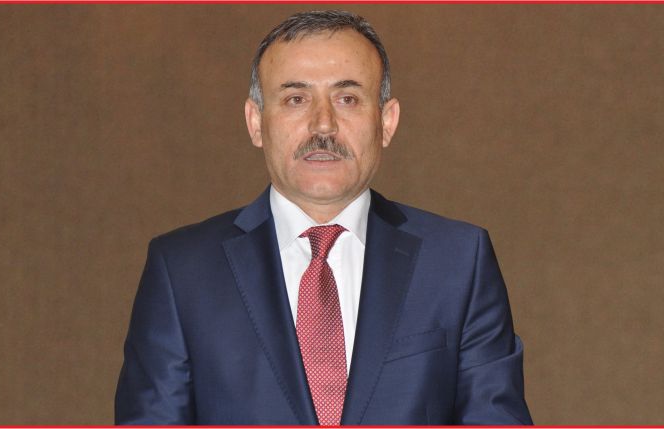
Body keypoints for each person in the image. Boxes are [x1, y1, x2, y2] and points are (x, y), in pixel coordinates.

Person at [115, 10, 533, 425]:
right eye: (296, 99)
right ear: (256, 122)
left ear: (386, 122)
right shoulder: (182, 270)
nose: (323, 125)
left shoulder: (458, 261)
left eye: (347, 98)